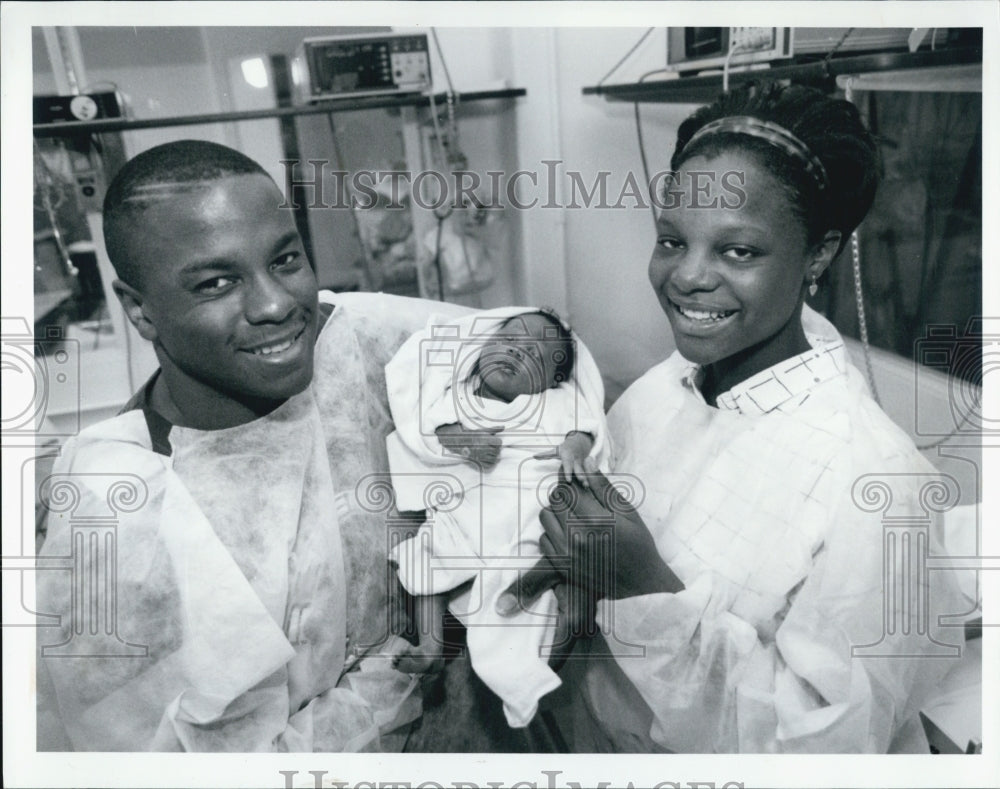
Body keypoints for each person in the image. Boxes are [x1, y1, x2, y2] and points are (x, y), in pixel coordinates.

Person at [500, 82, 967, 753]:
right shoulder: (664, 387)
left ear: (819, 254)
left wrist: (645, 587)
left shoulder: (882, 482)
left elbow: (825, 747)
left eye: (738, 250)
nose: (686, 276)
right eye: (671, 240)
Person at [35, 140, 433, 751]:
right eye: (216, 282)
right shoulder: (117, 524)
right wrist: (401, 674)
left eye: (286, 260)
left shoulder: (362, 344)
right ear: (140, 312)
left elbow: (544, 353)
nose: (276, 304)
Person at [383, 308, 608, 728]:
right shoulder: (457, 394)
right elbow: (431, 430)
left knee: (540, 604)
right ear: (481, 347)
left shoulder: (556, 403)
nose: (517, 352)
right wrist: (463, 439)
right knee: (423, 560)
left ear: (553, 380)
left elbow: (584, 430)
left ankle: (535, 673)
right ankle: (431, 645)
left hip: (526, 518)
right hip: (465, 513)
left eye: (536, 353)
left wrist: (574, 450)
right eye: (509, 341)